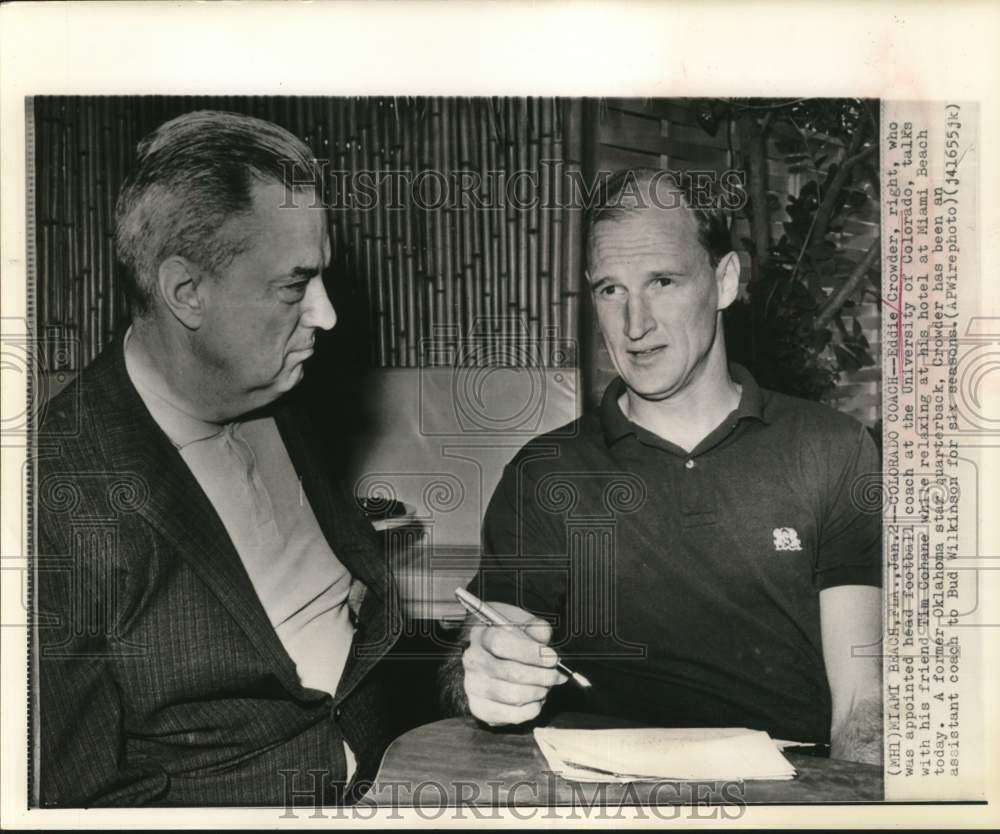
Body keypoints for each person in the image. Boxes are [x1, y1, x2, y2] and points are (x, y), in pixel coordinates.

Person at [445, 168, 883, 765]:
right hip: (601, 796)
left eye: (662, 281)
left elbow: (863, 705)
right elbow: (492, 647)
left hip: (791, 789)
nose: (634, 325)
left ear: (724, 281)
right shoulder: (545, 472)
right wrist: (490, 678)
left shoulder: (832, 447)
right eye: (610, 290)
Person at [35, 111, 406, 806]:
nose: (326, 315)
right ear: (186, 292)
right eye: (295, 286)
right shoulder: (53, 492)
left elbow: (357, 632)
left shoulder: (282, 391)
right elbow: (73, 801)